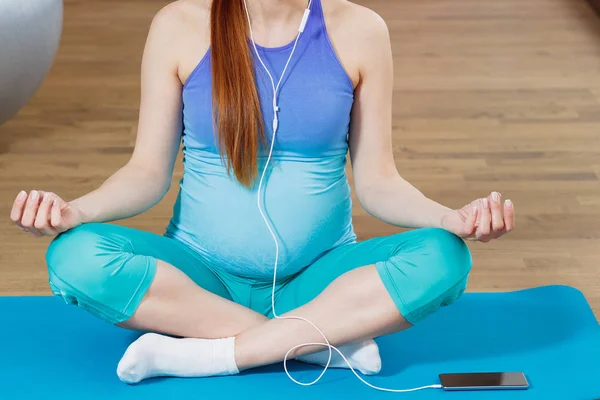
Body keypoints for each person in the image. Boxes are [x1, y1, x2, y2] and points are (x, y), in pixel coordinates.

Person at [9, 0, 515, 384]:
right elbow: (146, 172)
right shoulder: (179, 24)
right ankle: (318, 343)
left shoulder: (361, 29)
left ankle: (209, 354)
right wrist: (76, 210)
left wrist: (447, 217)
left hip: (320, 280)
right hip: (200, 280)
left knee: (445, 258)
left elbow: (379, 182)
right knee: (73, 257)